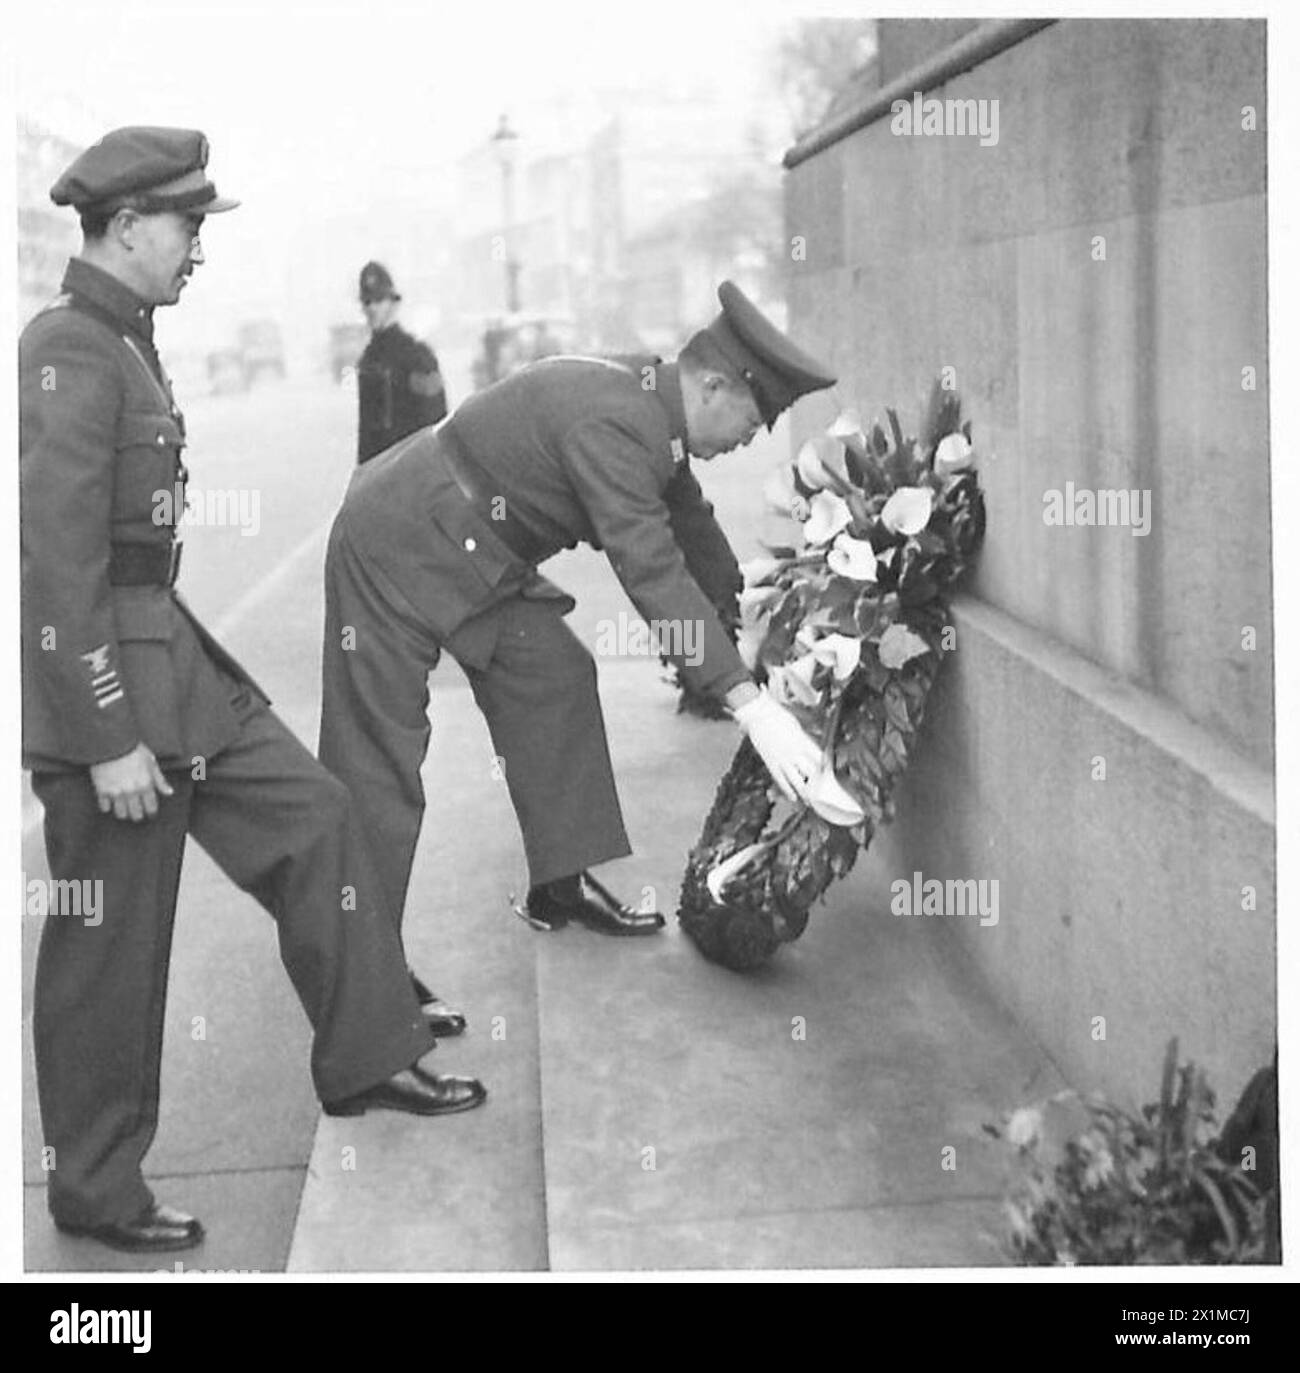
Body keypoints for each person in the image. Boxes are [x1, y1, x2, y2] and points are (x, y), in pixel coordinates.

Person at [20, 128, 484, 1257]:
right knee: (111, 950)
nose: (196, 252)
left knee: (316, 816)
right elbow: (58, 562)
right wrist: (106, 737)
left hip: (174, 667)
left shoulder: (125, 338)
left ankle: (367, 1050)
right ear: (125, 225)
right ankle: (93, 1184)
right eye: (184, 226)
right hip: (113, 703)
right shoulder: (70, 347)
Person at [319, 280, 834, 944]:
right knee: (378, 768)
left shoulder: (655, 408)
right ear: (711, 387)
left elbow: (693, 533)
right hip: (397, 537)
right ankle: (366, 974)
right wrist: (747, 702)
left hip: (478, 551)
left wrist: (762, 623)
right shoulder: (622, 422)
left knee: (553, 675)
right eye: (752, 419)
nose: (749, 439)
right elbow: (651, 570)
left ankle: (558, 887)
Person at [356, 260, 446, 462]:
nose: (372, 308)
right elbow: (367, 434)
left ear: (393, 303)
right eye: (367, 302)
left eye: (379, 300)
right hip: (378, 476)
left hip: (412, 472)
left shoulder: (417, 357)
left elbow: (434, 424)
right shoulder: (368, 360)